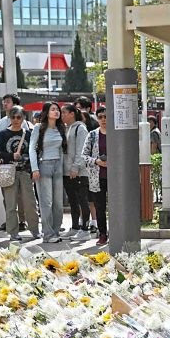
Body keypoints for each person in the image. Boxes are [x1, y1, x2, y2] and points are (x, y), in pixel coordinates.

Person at [0, 106, 39, 241]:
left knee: (30, 203)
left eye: (18, 117)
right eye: (13, 117)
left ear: (23, 118)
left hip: (25, 172)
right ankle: (13, 232)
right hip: (9, 173)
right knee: (10, 204)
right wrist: (11, 156)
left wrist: (34, 170)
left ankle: (35, 230)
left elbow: (33, 152)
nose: (15, 120)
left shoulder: (28, 133)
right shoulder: (3, 134)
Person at [30, 101, 67, 243]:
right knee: (46, 202)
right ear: (46, 112)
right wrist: (35, 168)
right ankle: (48, 234)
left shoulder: (60, 128)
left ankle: (55, 232)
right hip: (43, 165)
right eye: (53, 109)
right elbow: (32, 148)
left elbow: (62, 150)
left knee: (58, 202)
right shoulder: (38, 128)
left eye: (57, 109)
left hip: (58, 165)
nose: (56, 112)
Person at [80, 106, 109, 246]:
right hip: (97, 177)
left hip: (115, 177)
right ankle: (103, 233)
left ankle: (116, 232)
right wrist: (97, 161)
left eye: (105, 116)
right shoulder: (92, 135)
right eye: (100, 117)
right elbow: (84, 156)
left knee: (117, 206)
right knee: (100, 207)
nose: (103, 119)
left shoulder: (116, 135)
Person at [61, 104, 90, 238]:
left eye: (64, 113)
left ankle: (85, 229)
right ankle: (75, 226)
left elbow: (81, 150)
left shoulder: (80, 128)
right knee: (72, 200)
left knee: (82, 200)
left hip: (79, 171)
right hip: (67, 171)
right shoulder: (67, 128)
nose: (62, 116)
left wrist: (76, 167)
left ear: (72, 114)